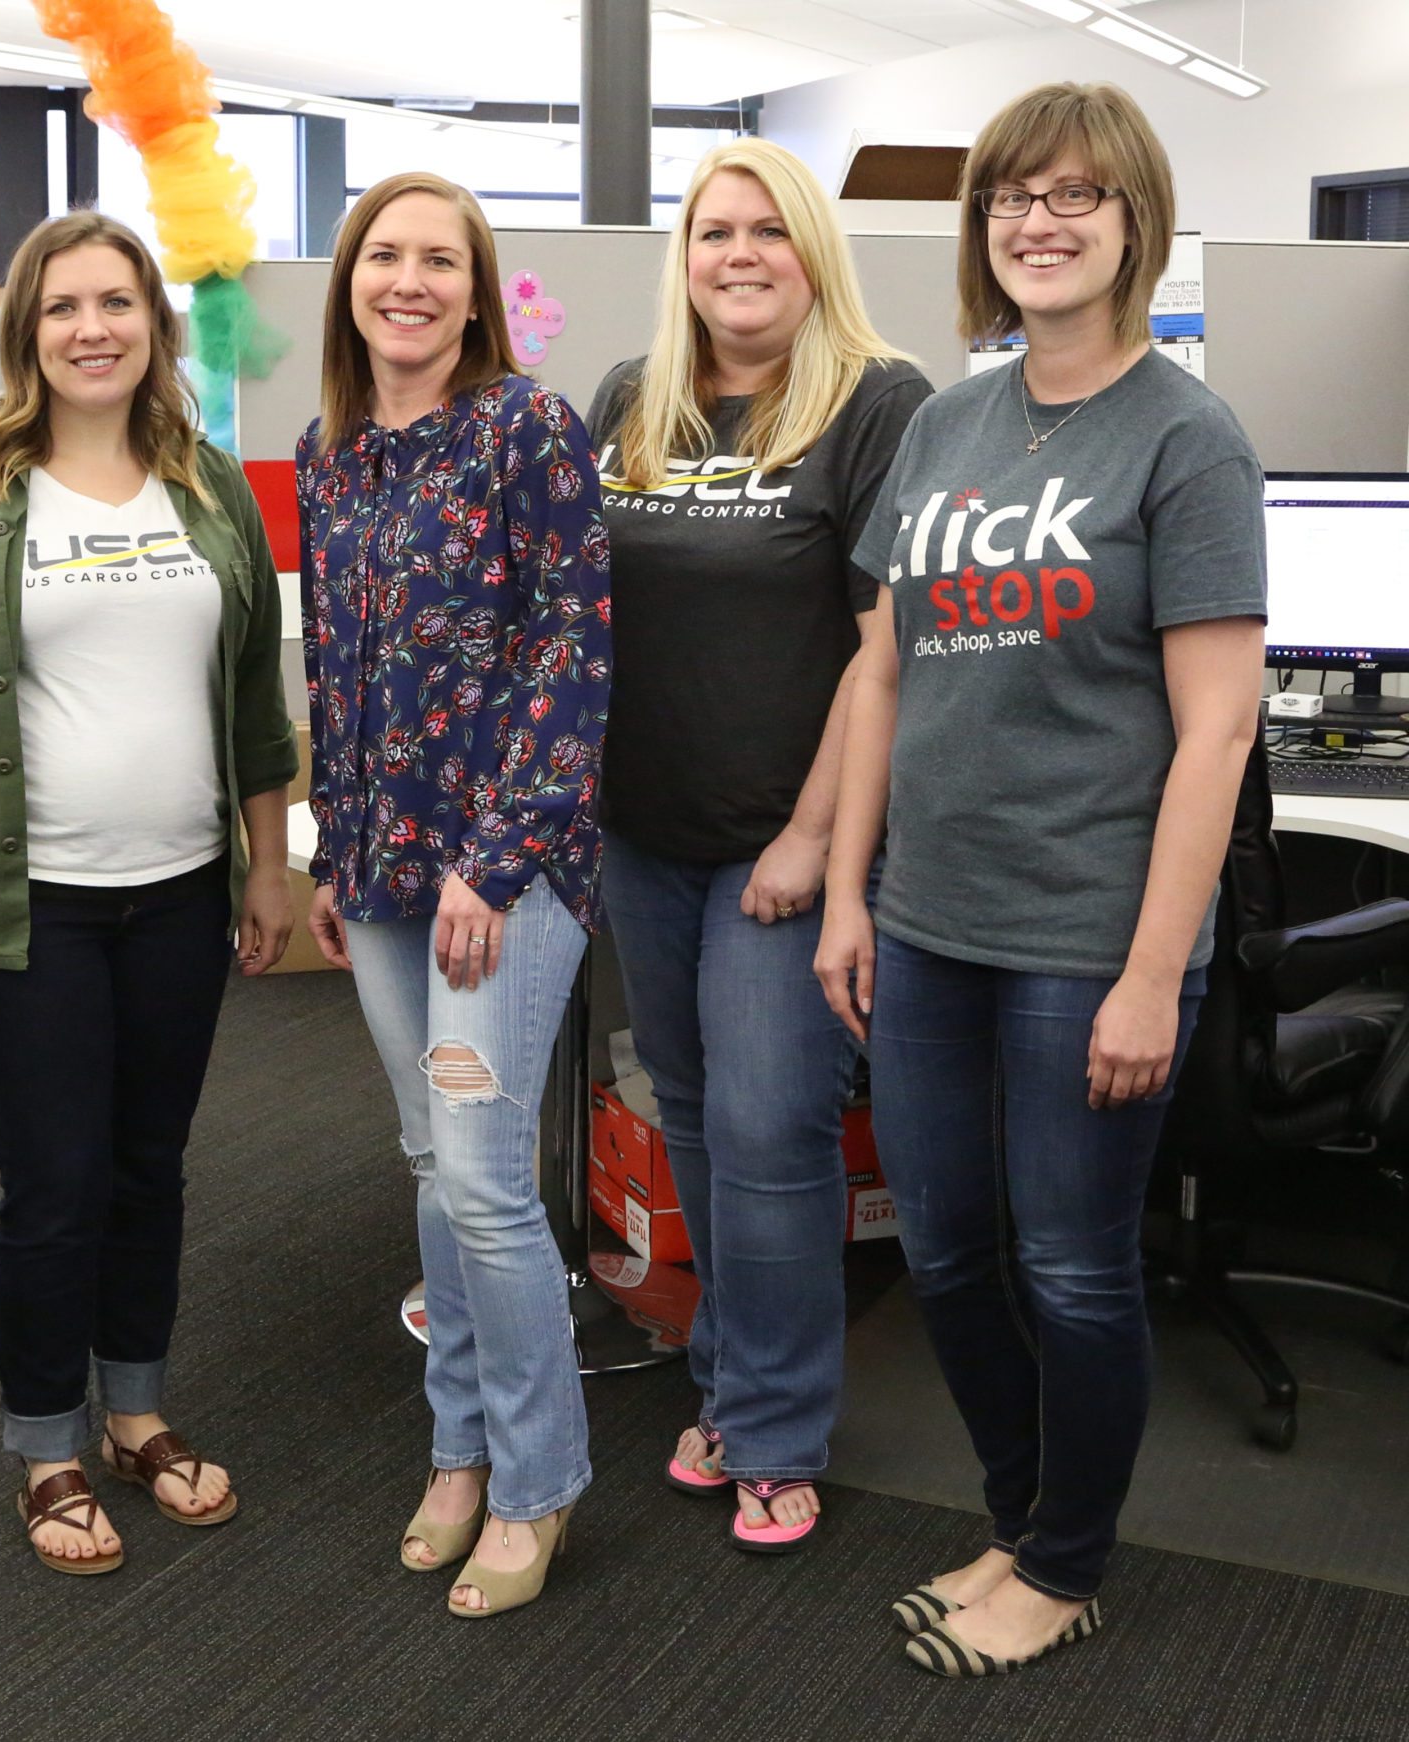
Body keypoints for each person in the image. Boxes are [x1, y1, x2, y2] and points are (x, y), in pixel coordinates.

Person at [814, 82, 1267, 1675]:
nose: (1040, 220)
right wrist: (851, 891)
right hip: (931, 921)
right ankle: (1019, 1520)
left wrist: (1153, 972)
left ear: (1136, 221)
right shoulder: (947, 423)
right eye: (1014, 195)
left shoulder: (1189, 437)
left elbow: (1218, 731)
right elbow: (883, 674)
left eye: (1078, 194)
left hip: (1088, 933)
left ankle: (1066, 1563)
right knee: (943, 1253)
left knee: (1073, 1264)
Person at [0, 211, 296, 1578]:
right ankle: (47, 1443)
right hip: (28, 904)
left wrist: (266, 860)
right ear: (27, 332)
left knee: (149, 1167)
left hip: (180, 896)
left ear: (155, 324)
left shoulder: (208, 485)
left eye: (116, 302)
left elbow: (253, 699)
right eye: (63, 307)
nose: (92, 328)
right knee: (54, 1182)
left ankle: (137, 1413)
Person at [585, 139, 930, 1552]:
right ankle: (731, 1381)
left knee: (772, 1127)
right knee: (690, 1110)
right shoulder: (633, 397)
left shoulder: (879, 403)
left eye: (769, 230)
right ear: (685, 257)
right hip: (642, 831)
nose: (740, 254)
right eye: (715, 231)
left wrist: (814, 838)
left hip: (784, 844)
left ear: (812, 253)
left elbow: (885, 649)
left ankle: (778, 1427)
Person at [300, 171, 614, 1619]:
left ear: (477, 292)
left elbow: (572, 652)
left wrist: (494, 858)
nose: (409, 282)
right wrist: (331, 850)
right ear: (351, 281)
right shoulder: (330, 453)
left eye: (441, 260)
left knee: (486, 1181)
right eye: (386, 255)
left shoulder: (526, 429)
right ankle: (458, 1447)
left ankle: (540, 1480)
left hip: (504, 874)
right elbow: (334, 664)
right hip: (379, 872)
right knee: (432, 1160)